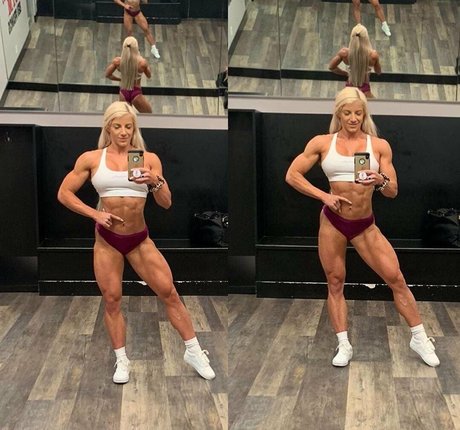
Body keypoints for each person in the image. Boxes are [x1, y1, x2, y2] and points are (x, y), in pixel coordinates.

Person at [57, 101, 216, 383]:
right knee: (112, 300)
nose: (123, 132)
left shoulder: (147, 158)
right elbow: (64, 193)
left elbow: (166, 203)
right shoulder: (92, 159)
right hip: (107, 240)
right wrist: (95, 214)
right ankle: (121, 360)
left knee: (169, 293)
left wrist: (155, 181)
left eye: (128, 127)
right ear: (108, 127)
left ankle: (193, 351)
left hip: (139, 239)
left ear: (134, 129)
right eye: (118, 126)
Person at [285, 87, 440, 368]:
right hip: (332, 222)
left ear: (364, 114)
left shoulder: (378, 146)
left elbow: (392, 191)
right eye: (347, 113)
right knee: (335, 282)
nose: (353, 118)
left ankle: (419, 338)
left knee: (396, 278)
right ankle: (343, 344)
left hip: (364, 225)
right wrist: (324, 196)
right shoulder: (322, 143)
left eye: (358, 113)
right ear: (339, 114)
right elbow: (292, 175)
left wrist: (380, 180)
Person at [329, 24, 381, 98]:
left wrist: (345, 73)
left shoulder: (344, 53)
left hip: (350, 88)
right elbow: (378, 72)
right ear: (366, 38)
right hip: (365, 90)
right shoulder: (373, 55)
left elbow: (331, 67)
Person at [106, 36, 152, 113]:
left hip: (123, 92)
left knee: (125, 117)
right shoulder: (142, 63)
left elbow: (108, 75)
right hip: (136, 92)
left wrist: (120, 79)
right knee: (149, 115)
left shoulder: (117, 62)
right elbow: (149, 75)